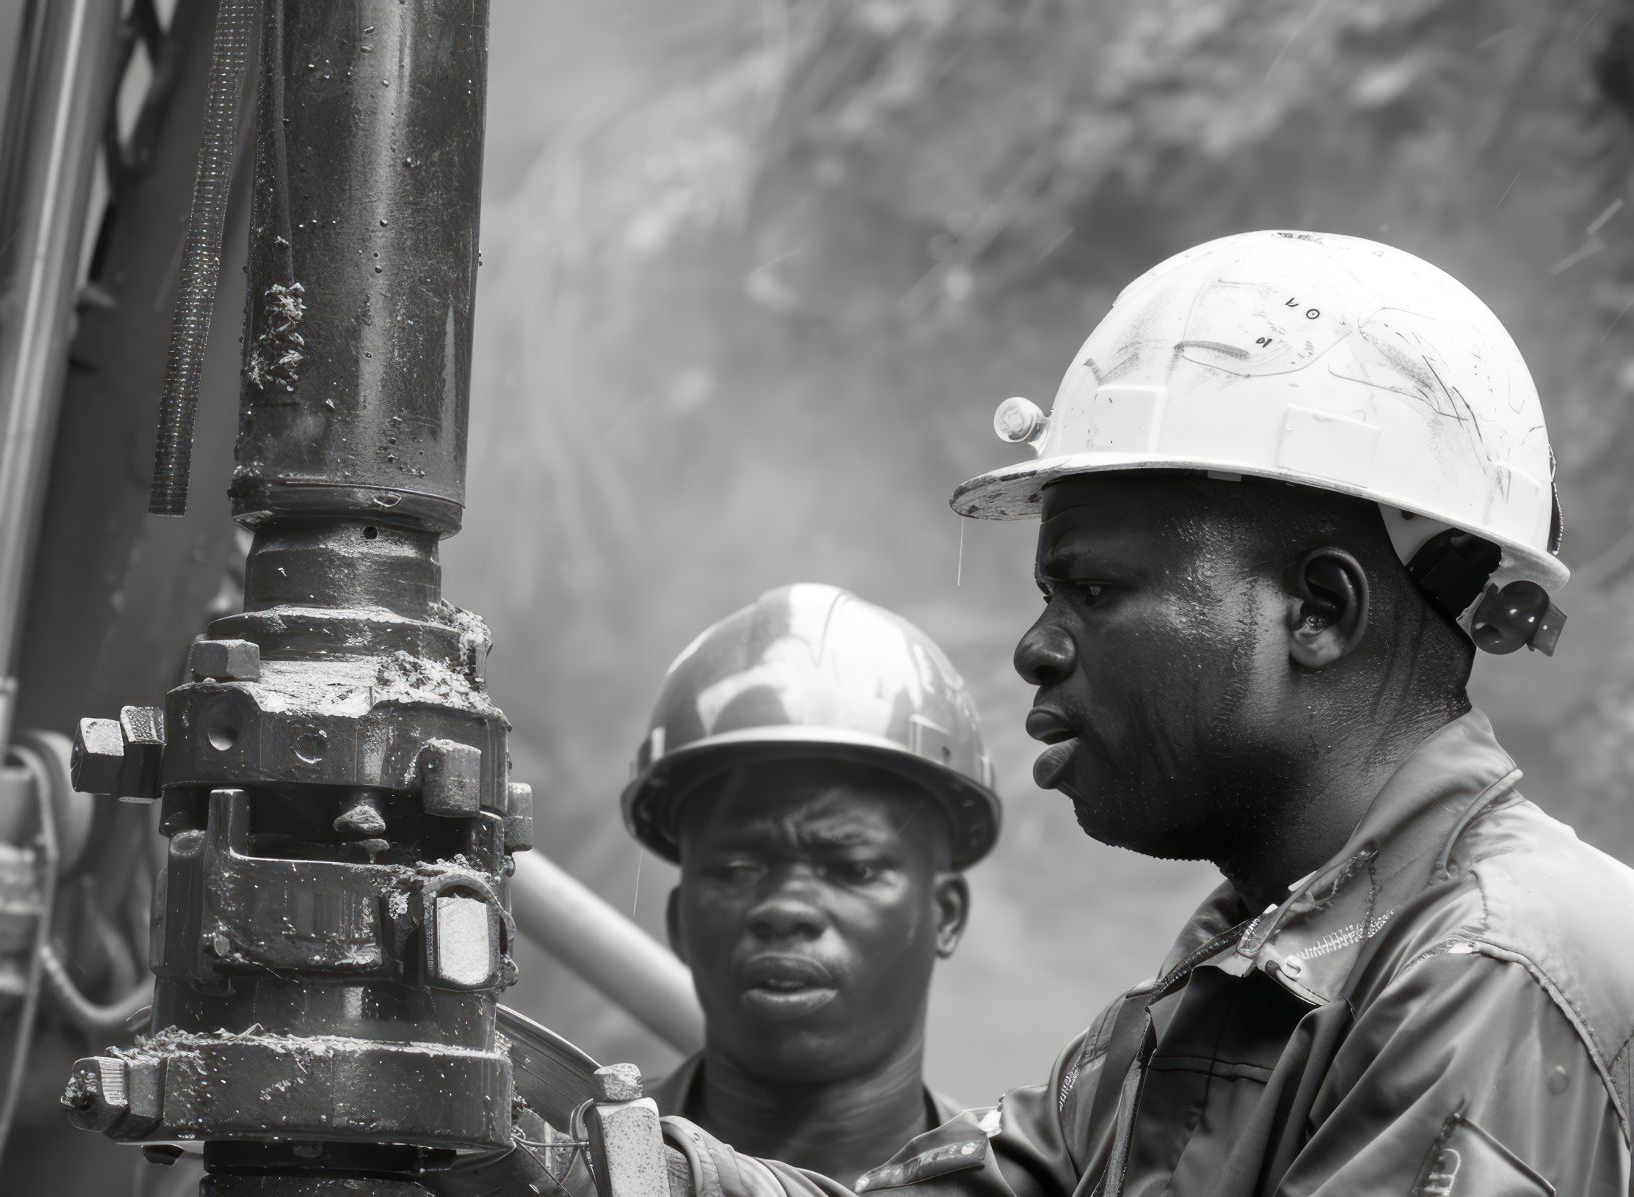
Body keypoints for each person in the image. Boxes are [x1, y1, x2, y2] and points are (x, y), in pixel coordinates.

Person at [652, 231, 1634, 1195]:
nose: (1035, 648)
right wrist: (593, 1164)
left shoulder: (1490, 971)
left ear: (1319, 611)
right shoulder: (1233, 981)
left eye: (1093, 590)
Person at [619, 582, 1001, 1186]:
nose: (786, 909)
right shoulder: (558, 1172)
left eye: (854, 869)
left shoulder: (1034, 1184)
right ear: (678, 923)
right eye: (736, 870)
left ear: (946, 914)